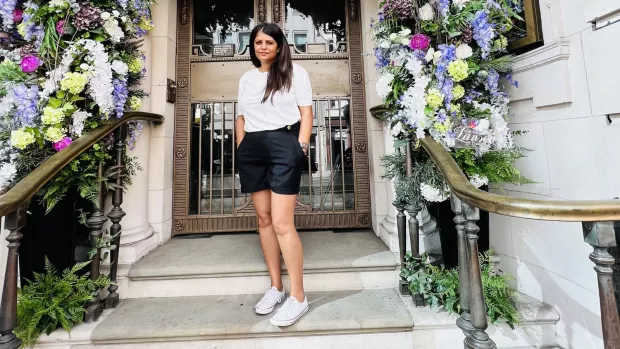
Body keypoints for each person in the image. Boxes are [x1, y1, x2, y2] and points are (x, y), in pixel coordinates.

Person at [235, 22, 313, 327]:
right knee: (264, 219)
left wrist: (301, 146)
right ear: (252, 47)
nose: (263, 47)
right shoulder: (246, 78)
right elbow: (241, 115)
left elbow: (306, 113)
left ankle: (299, 297)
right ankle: (276, 288)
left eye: (269, 42)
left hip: (285, 144)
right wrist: (242, 146)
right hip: (253, 148)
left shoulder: (296, 74)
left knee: (282, 222)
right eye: (258, 42)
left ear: (279, 46)